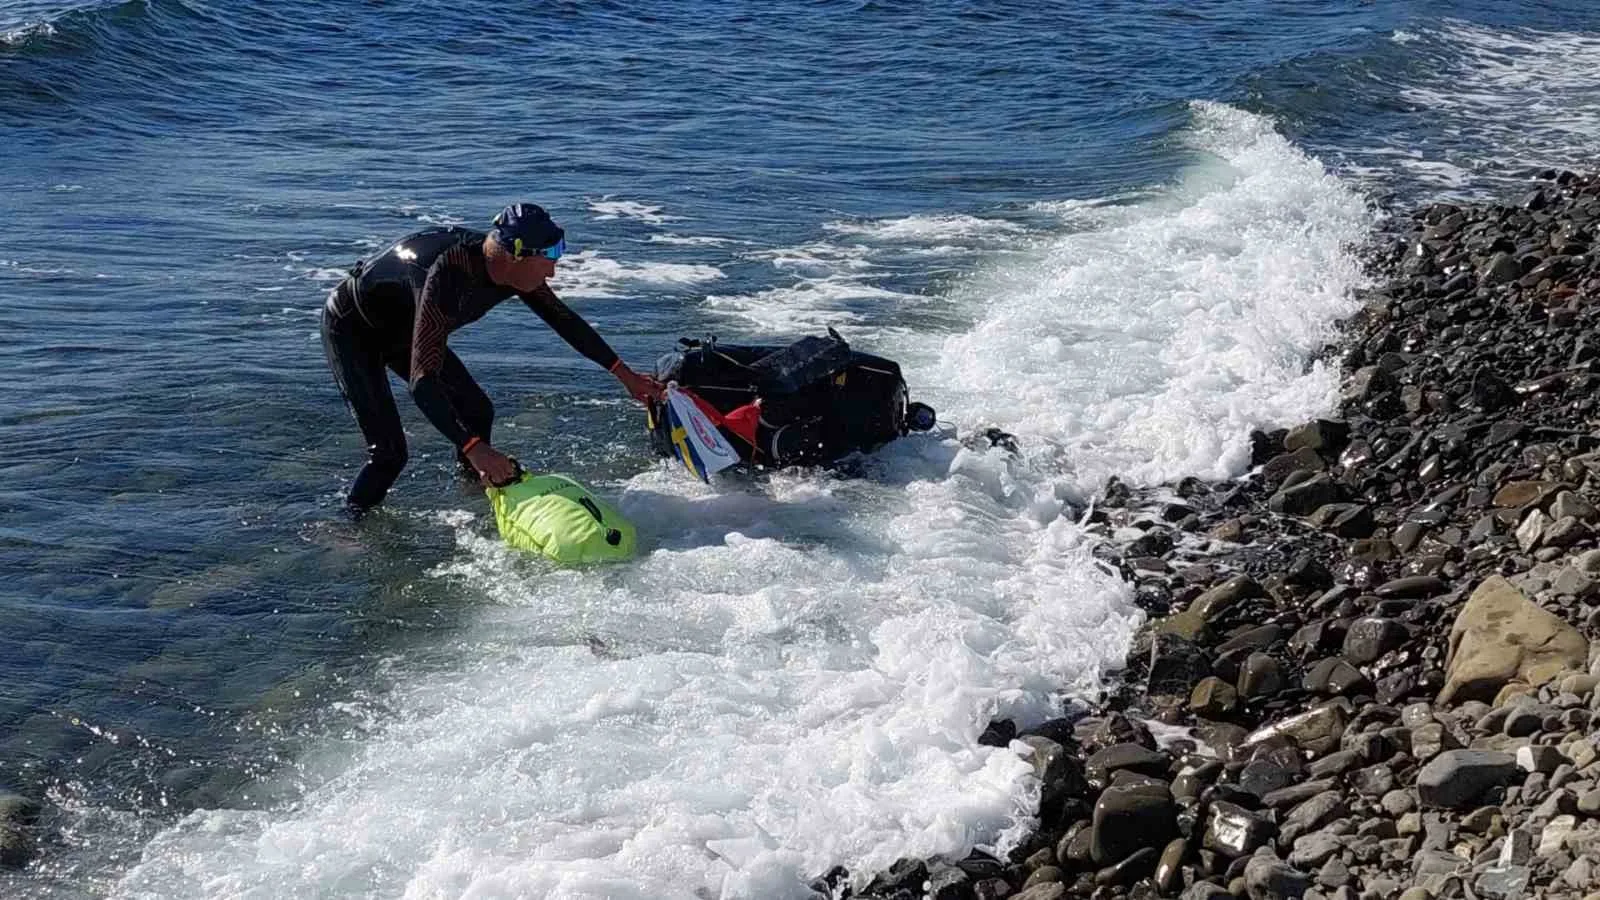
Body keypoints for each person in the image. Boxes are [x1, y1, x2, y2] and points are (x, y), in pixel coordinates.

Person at [320, 203, 661, 513]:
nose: (552, 275)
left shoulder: (512, 271)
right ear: (516, 255)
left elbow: (565, 320)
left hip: (405, 330)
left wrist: (625, 375)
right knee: (389, 454)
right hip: (353, 330)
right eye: (549, 263)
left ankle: (475, 490)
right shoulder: (447, 275)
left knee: (477, 410)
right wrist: (473, 446)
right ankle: (350, 524)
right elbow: (422, 382)